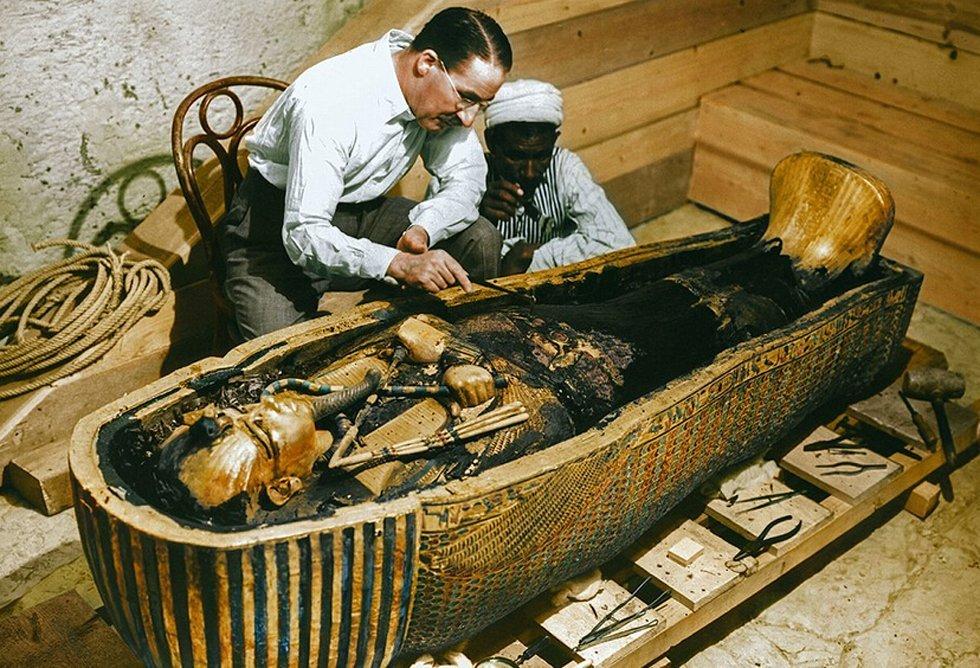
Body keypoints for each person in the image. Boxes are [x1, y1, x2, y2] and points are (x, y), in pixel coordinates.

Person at [218, 7, 511, 341]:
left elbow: (467, 178)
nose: (468, 119)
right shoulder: (331, 100)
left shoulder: (439, 97)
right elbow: (304, 234)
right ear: (426, 63)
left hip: (362, 217)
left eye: (481, 105)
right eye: (466, 98)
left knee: (479, 238)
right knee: (286, 355)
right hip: (275, 233)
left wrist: (424, 228)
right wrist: (396, 263)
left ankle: (470, 349)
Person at [432, 79, 635, 275]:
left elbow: (619, 244)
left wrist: (530, 258)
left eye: (541, 156)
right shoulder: (460, 175)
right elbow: (432, 259)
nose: (529, 173)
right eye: (515, 156)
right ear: (491, 142)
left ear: (554, 140)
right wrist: (476, 220)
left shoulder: (564, 166)